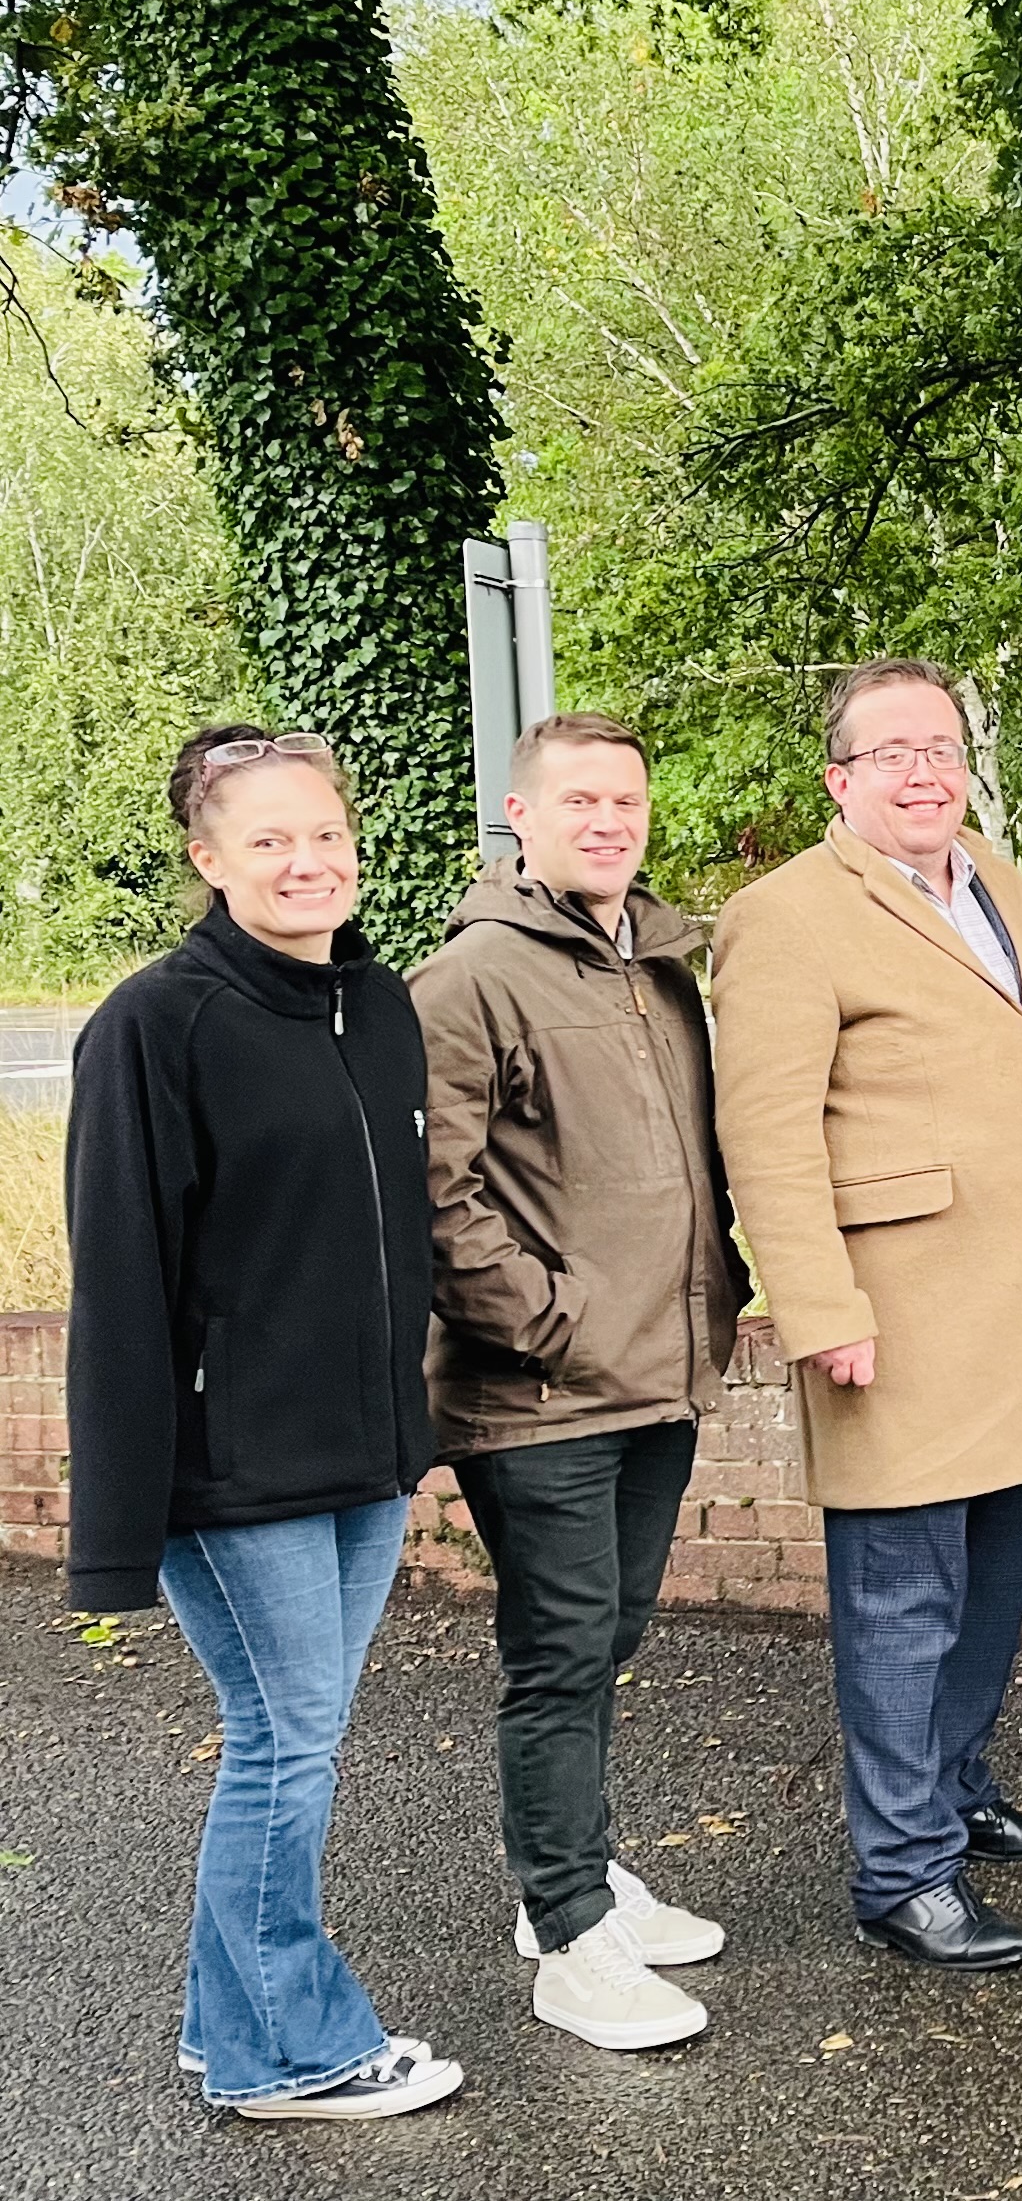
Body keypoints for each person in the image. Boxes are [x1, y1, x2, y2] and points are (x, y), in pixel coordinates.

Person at [62, 727, 461, 2119]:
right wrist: (117, 1522)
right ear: (207, 856)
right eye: (269, 838)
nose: (308, 862)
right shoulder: (153, 1022)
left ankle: (224, 2023)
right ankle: (294, 2051)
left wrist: (413, 1429)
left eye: (326, 832)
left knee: (294, 1732)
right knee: (287, 1740)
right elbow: (118, 1273)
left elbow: (390, 1241)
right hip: (230, 1467)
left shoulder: (377, 1001)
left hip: (361, 1451)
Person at [712, 659, 1022, 1970]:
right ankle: (900, 1872)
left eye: (940, 747)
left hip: (1016, 1308)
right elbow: (765, 1130)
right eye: (891, 752)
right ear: (840, 779)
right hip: (898, 1316)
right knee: (898, 1600)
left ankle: (953, 1790)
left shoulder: (991, 871)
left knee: (990, 1580)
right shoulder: (786, 914)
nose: (924, 771)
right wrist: (821, 1308)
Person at [410, 713, 743, 2050]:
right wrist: (551, 1324)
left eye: (626, 801)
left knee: (603, 1639)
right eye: (581, 801)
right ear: (522, 816)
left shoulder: (653, 966)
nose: (608, 820)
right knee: (558, 1655)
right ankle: (565, 1937)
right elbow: (434, 1190)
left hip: (653, 1378)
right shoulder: (470, 979)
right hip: (540, 1393)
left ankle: (573, 1872)